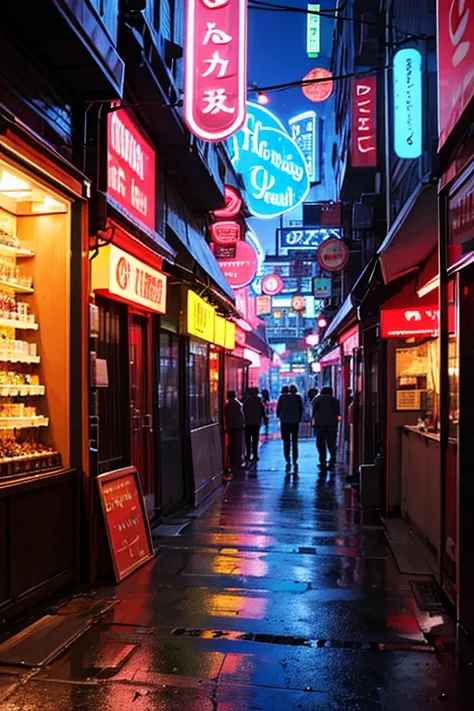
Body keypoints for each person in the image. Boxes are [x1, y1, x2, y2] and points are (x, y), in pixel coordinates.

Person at [312, 385, 340, 471]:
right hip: (332, 425)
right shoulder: (333, 400)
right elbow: (337, 411)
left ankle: (323, 462)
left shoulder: (318, 399)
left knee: (320, 444)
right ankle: (332, 461)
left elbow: (313, 409)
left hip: (320, 425)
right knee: (331, 444)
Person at [277, 384, 304, 471]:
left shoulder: (282, 398)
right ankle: (295, 458)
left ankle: (287, 457)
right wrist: (299, 418)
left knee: (286, 441)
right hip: (294, 421)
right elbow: (301, 409)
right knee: (295, 440)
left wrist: (279, 416)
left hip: (284, 421)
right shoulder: (298, 398)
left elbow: (278, 409)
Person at [243, 387, 266, 462]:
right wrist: (262, 418)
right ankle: (255, 454)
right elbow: (262, 411)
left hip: (248, 422)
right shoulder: (259, 400)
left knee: (248, 439)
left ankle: (248, 454)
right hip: (256, 422)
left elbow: (243, 410)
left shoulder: (246, 400)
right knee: (255, 439)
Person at [224, 391, 245, 474]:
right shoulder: (237, 403)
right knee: (238, 444)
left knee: (232, 444)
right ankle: (237, 460)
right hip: (238, 426)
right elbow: (241, 415)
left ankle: (233, 460)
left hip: (231, 426)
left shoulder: (228, 404)